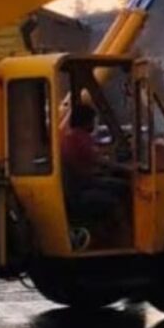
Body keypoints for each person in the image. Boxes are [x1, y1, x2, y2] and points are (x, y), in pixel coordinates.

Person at [61, 104, 130, 248]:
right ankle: (121, 236)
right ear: (86, 121)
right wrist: (123, 167)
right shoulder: (81, 138)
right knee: (124, 188)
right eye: (93, 120)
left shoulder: (70, 137)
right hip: (82, 186)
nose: (94, 124)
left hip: (79, 184)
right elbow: (99, 160)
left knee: (113, 183)